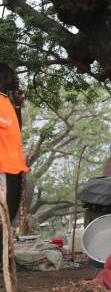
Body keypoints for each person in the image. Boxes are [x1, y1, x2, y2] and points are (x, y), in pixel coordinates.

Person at [0, 62, 29, 263]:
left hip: (13, 169)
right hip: (2, 171)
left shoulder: (6, 101)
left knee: (6, 221)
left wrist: (17, 105)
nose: (15, 78)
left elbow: (14, 129)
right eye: (11, 75)